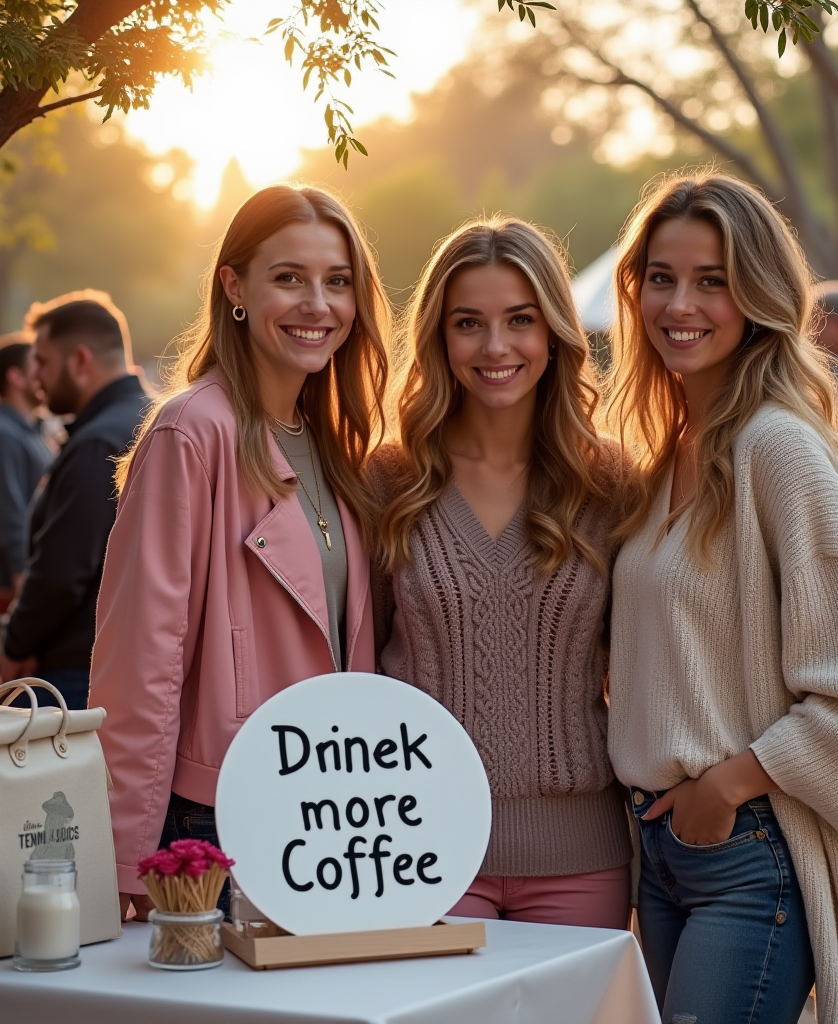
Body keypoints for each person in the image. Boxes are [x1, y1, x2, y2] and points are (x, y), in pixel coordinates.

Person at [606, 173, 838, 1024]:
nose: (682, 304)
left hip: (745, 852)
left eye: (713, 280)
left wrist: (732, 783)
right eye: (662, 278)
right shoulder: (661, 453)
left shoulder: (776, 448)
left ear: (759, 297)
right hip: (662, 850)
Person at [88, 185, 390, 922]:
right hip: (218, 821)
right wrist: (127, 854)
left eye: (337, 281)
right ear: (235, 288)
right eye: (289, 277)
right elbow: (141, 657)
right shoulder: (191, 432)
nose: (318, 304)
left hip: (330, 807)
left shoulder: (333, 445)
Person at [371, 217, 633, 929]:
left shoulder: (609, 482)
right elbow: (353, 667)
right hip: (418, 852)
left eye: (520, 320)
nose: (495, 347)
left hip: (582, 858)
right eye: (468, 323)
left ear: (553, 333)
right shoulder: (387, 482)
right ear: (438, 336)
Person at [0, 294, 149, 709]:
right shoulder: (151, 417)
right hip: (126, 662)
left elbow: (62, 571)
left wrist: (14, 646)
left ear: (80, 361)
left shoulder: (98, 440)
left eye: (43, 362)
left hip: (76, 674)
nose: (35, 378)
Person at [0, 335, 52, 613]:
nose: (44, 373)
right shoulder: (1, 437)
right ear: (16, 377)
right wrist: (25, 595)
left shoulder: (28, 431)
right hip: (12, 590)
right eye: (37, 364)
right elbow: (8, 520)